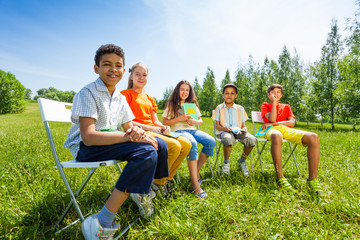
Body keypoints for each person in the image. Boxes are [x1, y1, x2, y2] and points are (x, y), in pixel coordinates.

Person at [64, 44, 169, 239]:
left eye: (118, 65)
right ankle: (103, 220)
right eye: (107, 64)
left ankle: (145, 189)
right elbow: (88, 136)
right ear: (96, 68)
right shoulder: (88, 93)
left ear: (123, 70)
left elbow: (129, 126)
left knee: (159, 144)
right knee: (146, 151)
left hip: (107, 142)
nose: (113, 69)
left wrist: (140, 133)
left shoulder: (119, 97)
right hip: (86, 148)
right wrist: (131, 136)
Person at [121, 63, 191, 197]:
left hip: (153, 130)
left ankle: (165, 180)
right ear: (131, 76)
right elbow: (125, 122)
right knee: (174, 146)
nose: (141, 77)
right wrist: (152, 128)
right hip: (139, 132)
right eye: (137, 74)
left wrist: (162, 127)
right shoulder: (125, 95)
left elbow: (155, 120)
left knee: (187, 144)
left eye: (144, 75)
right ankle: (156, 183)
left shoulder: (150, 99)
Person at [260, 84, 325, 195]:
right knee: (277, 135)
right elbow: (272, 118)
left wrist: (276, 123)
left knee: (313, 137)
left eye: (278, 92)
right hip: (270, 129)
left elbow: (292, 123)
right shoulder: (265, 105)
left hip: (285, 129)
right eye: (273, 92)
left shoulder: (286, 106)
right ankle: (280, 178)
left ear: (281, 95)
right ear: (268, 94)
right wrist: (274, 103)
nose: (276, 94)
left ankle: (312, 179)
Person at [162, 80, 216, 198]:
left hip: (193, 130)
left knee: (211, 142)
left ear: (190, 92)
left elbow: (200, 121)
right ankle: (195, 184)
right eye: (182, 89)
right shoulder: (172, 105)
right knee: (191, 142)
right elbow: (165, 122)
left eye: (187, 90)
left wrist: (194, 121)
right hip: (178, 131)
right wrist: (179, 118)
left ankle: (195, 171)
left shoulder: (192, 105)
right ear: (177, 90)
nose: (184, 92)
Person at [212, 84, 256, 176]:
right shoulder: (219, 108)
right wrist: (224, 128)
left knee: (252, 139)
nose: (229, 95)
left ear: (236, 95)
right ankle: (226, 163)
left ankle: (241, 161)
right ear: (223, 95)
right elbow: (217, 126)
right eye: (226, 93)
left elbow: (244, 125)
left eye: (232, 93)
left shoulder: (240, 108)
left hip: (238, 131)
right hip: (224, 131)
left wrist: (244, 129)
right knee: (227, 138)